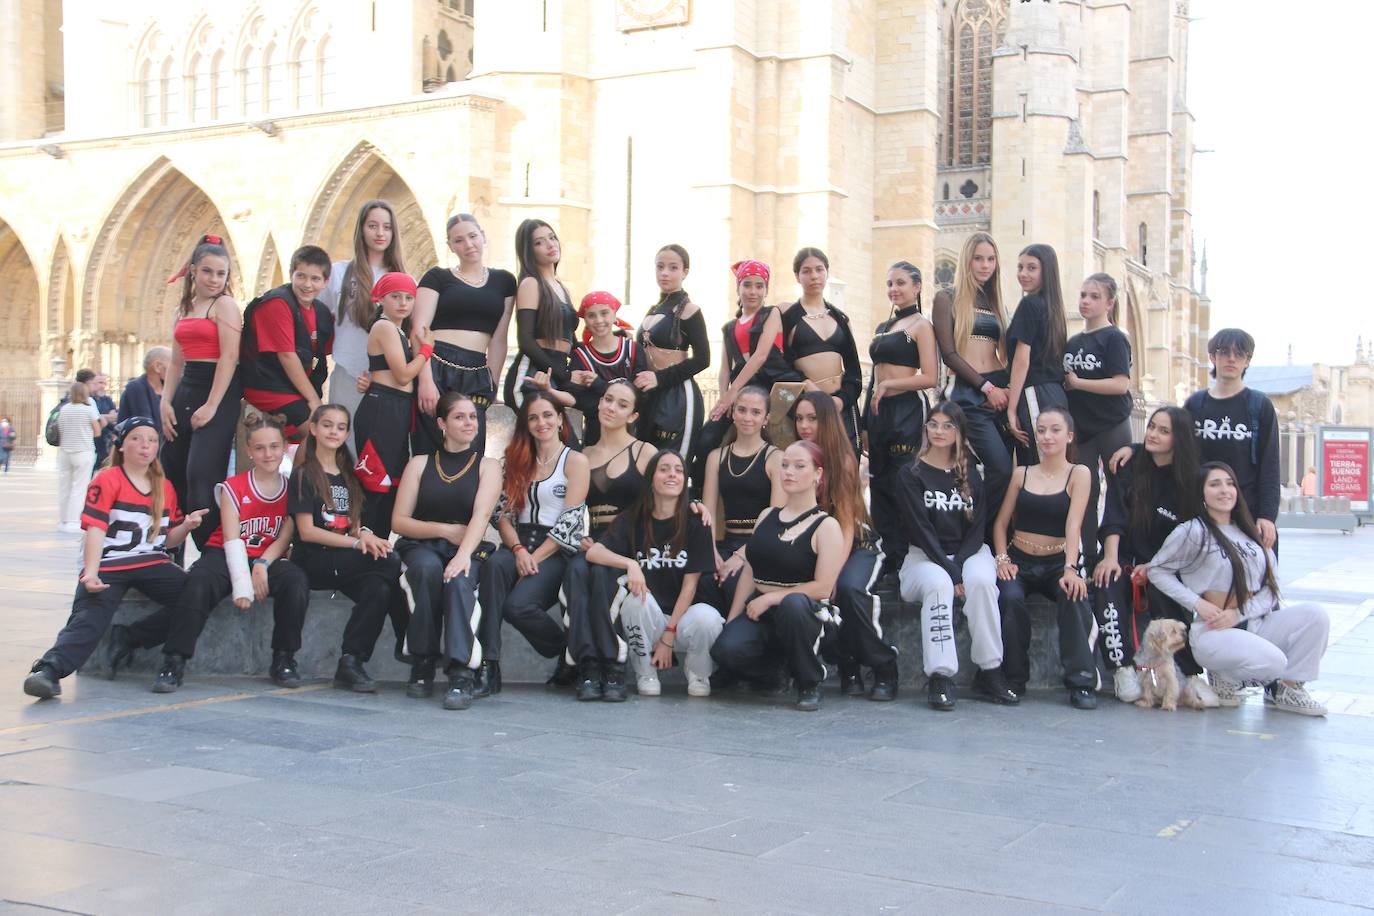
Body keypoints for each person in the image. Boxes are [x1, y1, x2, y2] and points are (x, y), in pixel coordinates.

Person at [119, 413, 310, 693]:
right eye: (259, 448)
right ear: (248, 452)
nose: (268, 454)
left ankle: (284, 658)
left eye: (274, 447)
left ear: (284, 448)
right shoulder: (234, 487)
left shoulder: (292, 488)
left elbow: (284, 536)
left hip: (266, 556)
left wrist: (261, 565)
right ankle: (174, 661)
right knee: (198, 585)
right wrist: (242, 587)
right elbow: (232, 540)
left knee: (296, 581)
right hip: (225, 553)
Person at [23, 417, 206, 699]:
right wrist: (91, 572)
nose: (145, 446)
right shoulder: (107, 479)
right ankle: (49, 669)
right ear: (121, 445)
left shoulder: (164, 487)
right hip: (110, 564)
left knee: (197, 595)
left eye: (152, 440)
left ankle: (132, 637)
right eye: (137, 439)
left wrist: (186, 526)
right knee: (91, 615)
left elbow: (167, 540)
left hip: (152, 562)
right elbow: (95, 529)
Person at [1148, 462, 1330, 715]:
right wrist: (1197, 603)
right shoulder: (1192, 531)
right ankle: (1225, 676)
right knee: (1275, 662)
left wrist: (1239, 613)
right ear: (1201, 492)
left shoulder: (1250, 532)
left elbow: (1270, 590)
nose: (1224, 490)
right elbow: (1157, 570)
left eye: (1230, 483)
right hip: (1214, 631)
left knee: (1315, 616)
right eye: (1214, 484)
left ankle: (1288, 689)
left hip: (1252, 623)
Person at [897, 401, 1017, 710]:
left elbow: (978, 529)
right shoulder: (911, 473)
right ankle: (940, 676)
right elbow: (921, 530)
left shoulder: (971, 474)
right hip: (924, 557)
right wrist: (950, 572)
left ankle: (991, 671)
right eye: (933, 424)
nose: (939, 431)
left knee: (980, 581)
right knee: (939, 584)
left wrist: (960, 568)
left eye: (947, 425)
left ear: (959, 432)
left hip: (969, 553)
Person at [711, 440, 846, 711]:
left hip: (808, 612)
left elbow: (823, 587)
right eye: (784, 465)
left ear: (818, 474)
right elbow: (751, 569)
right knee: (725, 649)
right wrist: (733, 618)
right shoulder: (767, 516)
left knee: (792, 605)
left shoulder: (826, 525)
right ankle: (776, 669)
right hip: (763, 610)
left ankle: (809, 681)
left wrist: (772, 599)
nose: (789, 472)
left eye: (799, 466)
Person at [1096, 406, 1215, 706]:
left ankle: (1189, 675)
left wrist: (1156, 566)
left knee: (1167, 594)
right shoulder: (1129, 464)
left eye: (1164, 431)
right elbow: (1114, 517)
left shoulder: (1191, 481)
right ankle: (1122, 669)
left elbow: (1189, 538)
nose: (1153, 434)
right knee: (1106, 583)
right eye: (1151, 427)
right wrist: (1110, 557)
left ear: (1180, 439)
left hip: (1165, 565)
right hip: (1125, 557)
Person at [392, 392, 503, 710]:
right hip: (423, 544)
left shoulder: (488, 466)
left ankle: (461, 673)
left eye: (472, 416)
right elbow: (399, 521)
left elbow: (481, 516)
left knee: (459, 580)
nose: (469, 423)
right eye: (459, 417)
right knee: (425, 570)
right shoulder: (419, 464)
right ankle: (422, 661)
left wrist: (462, 555)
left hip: (467, 547)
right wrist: (443, 530)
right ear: (441, 423)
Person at [790, 391, 899, 699]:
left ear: (826, 419)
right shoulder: (796, 456)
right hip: (816, 546)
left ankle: (884, 666)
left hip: (858, 544)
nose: (805, 425)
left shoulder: (844, 460)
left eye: (812, 418)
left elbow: (847, 525)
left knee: (849, 590)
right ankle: (847, 663)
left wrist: (834, 573)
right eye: (799, 418)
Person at [588, 450, 721, 699]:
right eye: (664, 469)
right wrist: (631, 564)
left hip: (682, 621)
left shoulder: (696, 522)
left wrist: (669, 635)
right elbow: (594, 552)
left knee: (709, 618)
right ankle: (645, 671)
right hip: (649, 618)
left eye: (678, 470)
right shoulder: (633, 519)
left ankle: (698, 673)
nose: (672, 474)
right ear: (651, 479)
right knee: (636, 601)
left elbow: (690, 586)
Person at [288, 404, 401, 693]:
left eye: (340, 427)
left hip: (344, 559)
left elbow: (354, 526)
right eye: (327, 425)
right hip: (312, 561)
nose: (333, 431)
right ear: (313, 429)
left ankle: (351, 661)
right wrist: (357, 542)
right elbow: (307, 532)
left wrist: (366, 536)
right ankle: (408, 636)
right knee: (389, 564)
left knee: (380, 588)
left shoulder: (349, 475)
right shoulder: (303, 474)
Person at [478, 392, 590, 685]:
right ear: (526, 424)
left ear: (559, 418)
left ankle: (568, 650)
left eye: (547, 415)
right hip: (518, 541)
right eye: (534, 417)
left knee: (518, 606)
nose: (542, 422)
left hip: (555, 547)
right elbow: (500, 514)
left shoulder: (575, 461)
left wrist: (532, 558)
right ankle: (488, 664)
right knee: (491, 568)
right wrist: (517, 551)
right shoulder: (515, 459)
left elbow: (569, 523)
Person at [992, 406, 1098, 708]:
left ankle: (1081, 683)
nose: (1047, 436)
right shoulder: (1021, 473)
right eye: (1041, 430)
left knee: (1074, 594)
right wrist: (1002, 560)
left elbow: (1074, 524)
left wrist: (1071, 568)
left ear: (1069, 435)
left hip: (1057, 561)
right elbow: (1000, 524)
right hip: (1019, 560)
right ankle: (1013, 678)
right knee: (1010, 598)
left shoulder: (1079, 473)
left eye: (1055, 430)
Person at [562, 380, 657, 700]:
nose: (611, 408)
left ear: (633, 415)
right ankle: (587, 666)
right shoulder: (582, 455)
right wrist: (581, 538)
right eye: (607, 400)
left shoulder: (645, 452)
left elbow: (669, 500)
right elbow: (572, 508)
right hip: (594, 542)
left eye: (621, 404)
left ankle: (614, 666)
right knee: (575, 572)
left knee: (603, 578)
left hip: (630, 541)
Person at [160, 235, 243, 547]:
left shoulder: (225, 305)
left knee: (201, 477)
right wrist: (165, 402)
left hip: (218, 391)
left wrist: (211, 405)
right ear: (193, 270)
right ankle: (172, 549)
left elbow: (230, 357)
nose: (214, 279)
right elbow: (176, 364)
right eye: (208, 271)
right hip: (187, 388)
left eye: (221, 274)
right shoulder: (183, 308)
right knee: (172, 473)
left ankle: (209, 548)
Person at [413, 212, 515, 454]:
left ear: (483, 237)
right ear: (450, 246)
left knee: (472, 448)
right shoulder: (437, 277)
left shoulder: (504, 281)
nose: (468, 244)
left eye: (473, 236)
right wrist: (425, 380)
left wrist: (492, 382)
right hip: (436, 364)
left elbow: (499, 339)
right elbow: (419, 330)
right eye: (459, 240)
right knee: (432, 445)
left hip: (476, 373)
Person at [864, 261, 937, 575]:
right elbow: (873, 378)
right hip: (880, 414)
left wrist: (891, 384)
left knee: (902, 481)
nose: (894, 289)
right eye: (890, 283)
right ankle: (887, 555)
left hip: (908, 409)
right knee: (878, 482)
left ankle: (908, 553)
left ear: (917, 286)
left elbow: (931, 377)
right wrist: (866, 422)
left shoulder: (922, 325)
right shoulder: (883, 327)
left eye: (901, 283)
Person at [931, 231, 1012, 514]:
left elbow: (1008, 353)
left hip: (1001, 392)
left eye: (991, 259)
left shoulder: (997, 303)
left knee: (1009, 468)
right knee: (999, 467)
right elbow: (949, 354)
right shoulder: (947, 298)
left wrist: (1006, 389)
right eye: (978, 259)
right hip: (969, 394)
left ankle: (996, 537)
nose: (985, 265)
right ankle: (981, 531)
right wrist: (986, 388)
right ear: (967, 261)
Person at [318, 199, 408, 446]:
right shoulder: (338, 273)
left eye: (387, 227)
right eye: (373, 225)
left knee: (382, 452)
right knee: (344, 448)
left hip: (388, 379)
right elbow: (315, 317)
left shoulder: (402, 278)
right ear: (361, 229)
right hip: (348, 373)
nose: (380, 233)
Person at [1183, 329, 1281, 552]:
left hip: (1249, 512)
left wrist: (1267, 515)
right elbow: (1171, 446)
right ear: (1212, 357)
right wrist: (1133, 449)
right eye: (1224, 351)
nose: (1231, 358)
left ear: (1247, 361)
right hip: (1203, 513)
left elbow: (1270, 465)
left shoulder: (1259, 406)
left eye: (1240, 354)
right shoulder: (1196, 404)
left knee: (1253, 583)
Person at [352, 272, 434, 538]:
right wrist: (426, 351)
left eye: (409, 297)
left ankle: (381, 546)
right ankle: (368, 544)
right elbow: (402, 374)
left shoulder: (397, 330)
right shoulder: (384, 326)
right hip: (383, 407)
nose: (403, 303)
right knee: (377, 482)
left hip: (395, 407)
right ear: (381, 298)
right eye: (395, 296)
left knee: (393, 481)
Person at [1062, 273, 1132, 571]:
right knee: (1084, 494)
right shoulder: (1073, 341)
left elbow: (1121, 385)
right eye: (1083, 295)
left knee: (1120, 488)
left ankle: (1120, 554)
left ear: (1109, 303)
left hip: (1112, 423)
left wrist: (1079, 384)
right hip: (1082, 429)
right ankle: (1089, 556)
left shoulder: (1115, 338)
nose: (1086, 301)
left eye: (1094, 296)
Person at [700, 386, 783, 612]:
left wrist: (741, 556)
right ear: (733, 413)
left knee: (734, 582)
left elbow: (775, 521)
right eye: (742, 410)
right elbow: (707, 515)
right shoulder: (716, 457)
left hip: (759, 547)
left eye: (755, 412)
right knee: (703, 581)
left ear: (766, 419)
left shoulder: (775, 458)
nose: (747, 417)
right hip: (725, 544)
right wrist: (713, 553)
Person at [241, 246, 335, 440]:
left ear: (326, 282)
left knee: (325, 429)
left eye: (315, 279)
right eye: (301, 276)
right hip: (267, 384)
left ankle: (303, 469)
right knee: (316, 433)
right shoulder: (277, 303)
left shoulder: (321, 312)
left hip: (292, 387)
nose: (307, 284)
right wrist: (313, 400)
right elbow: (287, 356)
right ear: (291, 274)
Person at [778, 248, 863, 453]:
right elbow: (778, 362)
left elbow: (853, 369)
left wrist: (840, 401)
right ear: (797, 276)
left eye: (819, 269)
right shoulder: (786, 314)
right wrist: (806, 385)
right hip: (806, 407)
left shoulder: (840, 318)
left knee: (845, 467)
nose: (814, 276)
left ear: (827, 272)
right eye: (806, 271)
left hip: (840, 407)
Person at [634, 244, 710, 465]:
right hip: (649, 396)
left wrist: (659, 378)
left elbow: (703, 359)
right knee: (647, 465)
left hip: (677, 397)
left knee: (673, 464)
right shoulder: (653, 309)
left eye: (673, 267)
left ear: (685, 272)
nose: (664, 273)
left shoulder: (690, 311)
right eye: (660, 267)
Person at [1005, 244, 1070, 466]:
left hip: (1035, 393)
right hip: (1054, 393)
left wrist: (1011, 409)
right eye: (1020, 267)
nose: (1023, 274)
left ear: (1046, 271)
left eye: (1031, 268)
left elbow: (1021, 361)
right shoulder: (1054, 308)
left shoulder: (1030, 304)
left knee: (1040, 467)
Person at [503, 219, 577, 409]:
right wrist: (563, 374)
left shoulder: (562, 288)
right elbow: (525, 339)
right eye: (539, 242)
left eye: (552, 238)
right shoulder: (531, 284)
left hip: (555, 374)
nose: (550, 244)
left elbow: (571, 341)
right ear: (529, 251)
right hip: (531, 376)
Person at [568, 290, 647, 447]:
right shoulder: (580, 356)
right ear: (586, 320)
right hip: (596, 436)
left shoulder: (633, 349)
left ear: (614, 315)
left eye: (604, 313)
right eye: (591, 315)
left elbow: (641, 395)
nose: (598, 320)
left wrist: (600, 386)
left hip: (631, 434)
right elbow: (580, 400)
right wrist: (622, 403)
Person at [56, 381, 103, 533]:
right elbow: (97, 432)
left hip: (65, 452)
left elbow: (60, 429)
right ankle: (73, 520)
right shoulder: (88, 410)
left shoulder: (64, 409)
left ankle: (63, 519)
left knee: (65, 487)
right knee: (80, 487)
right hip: (83, 451)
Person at [118, 346, 170, 433]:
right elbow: (146, 424)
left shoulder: (169, 389)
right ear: (157, 366)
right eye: (172, 363)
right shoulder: (136, 388)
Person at [88, 373, 119, 469]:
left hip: (106, 439)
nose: (102, 386)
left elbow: (114, 417)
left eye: (104, 383)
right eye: (100, 382)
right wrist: (104, 417)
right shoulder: (89, 400)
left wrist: (99, 417)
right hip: (92, 439)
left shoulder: (107, 400)